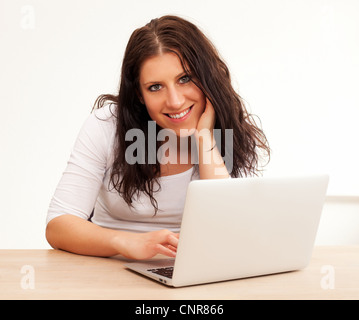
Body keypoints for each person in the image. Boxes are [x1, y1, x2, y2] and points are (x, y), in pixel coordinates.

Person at [45, 15, 270, 260]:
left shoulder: (228, 129)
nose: (174, 101)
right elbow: (58, 226)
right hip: (109, 271)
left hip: (191, 273)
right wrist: (125, 242)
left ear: (207, 78)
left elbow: (230, 232)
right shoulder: (106, 126)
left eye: (185, 79)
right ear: (139, 95)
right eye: (155, 87)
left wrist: (204, 138)